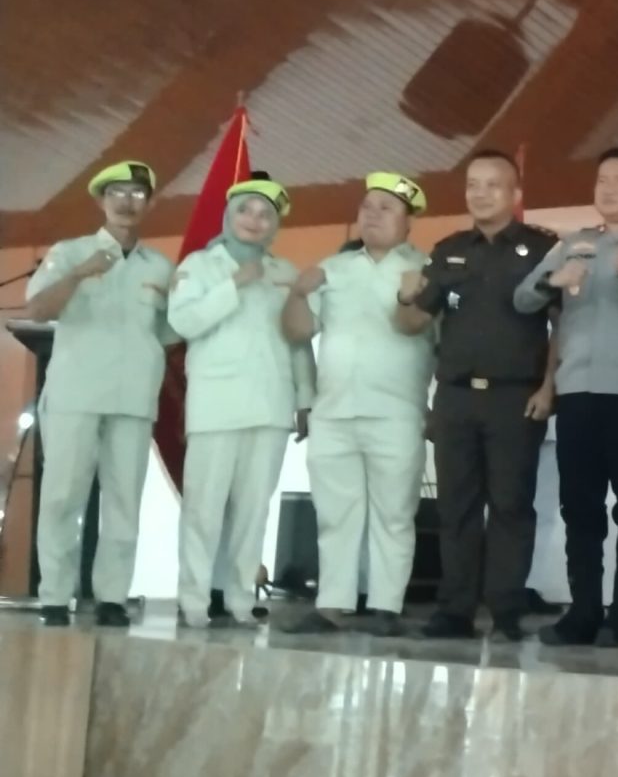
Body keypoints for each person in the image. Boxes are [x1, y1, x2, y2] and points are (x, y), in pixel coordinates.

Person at [513, 148, 618, 648]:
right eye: (602, 179)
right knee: (580, 507)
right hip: (577, 391)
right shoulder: (574, 244)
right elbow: (523, 298)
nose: (608, 188)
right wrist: (553, 280)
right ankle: (583, 611)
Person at [398, 150, 558, 642]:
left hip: (516, 397)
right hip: (456, 397)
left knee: (511, 505)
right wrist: (405, 296)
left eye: (493, 184)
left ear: (515, 194)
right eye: (472, 184)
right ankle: (455, 610)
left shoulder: (543, 248)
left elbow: (563, 324)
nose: (480, 193)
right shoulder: (448, 250)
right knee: (456, 507)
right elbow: (412, 323)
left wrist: (549, 387)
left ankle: (506, 610)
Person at [23, 160, 176, 627]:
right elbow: (38, 308)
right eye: (117, 193)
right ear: (100, 200)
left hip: (133, 397)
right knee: (62, 497)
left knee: (124, 501)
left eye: (137, 194)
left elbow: (170, 332)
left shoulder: (160, 266)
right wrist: (79, 274)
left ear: (150, 203)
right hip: (76, 394)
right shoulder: (70, 252)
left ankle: (112, 596)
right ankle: (54, 596)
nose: (127, 202)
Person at [280, 172, 434, 636]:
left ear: (408, 221)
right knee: (335, 515)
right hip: (333, 412)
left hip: (397, 412)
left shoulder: (426, 270)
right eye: (367, 207)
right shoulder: (334, 268)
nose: (373, 215)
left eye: (386, 208)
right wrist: (298, 292)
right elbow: (298, 332)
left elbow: (443, 340)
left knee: (395, 514)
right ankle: (331, 605)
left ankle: (387, 607)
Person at [166, 178, 314, 628]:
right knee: (203, 509)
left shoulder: (284, 272)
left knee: (253, 511)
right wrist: (233, 284)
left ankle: (240, 599)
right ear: (229, 216)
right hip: (216, 404)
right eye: (246, 210)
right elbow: (183, 322)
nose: (255, 220)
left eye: (266, 214)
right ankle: (193, 600)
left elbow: (298, 340)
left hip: (270, 403)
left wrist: (305, 399)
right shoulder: (200, 265)